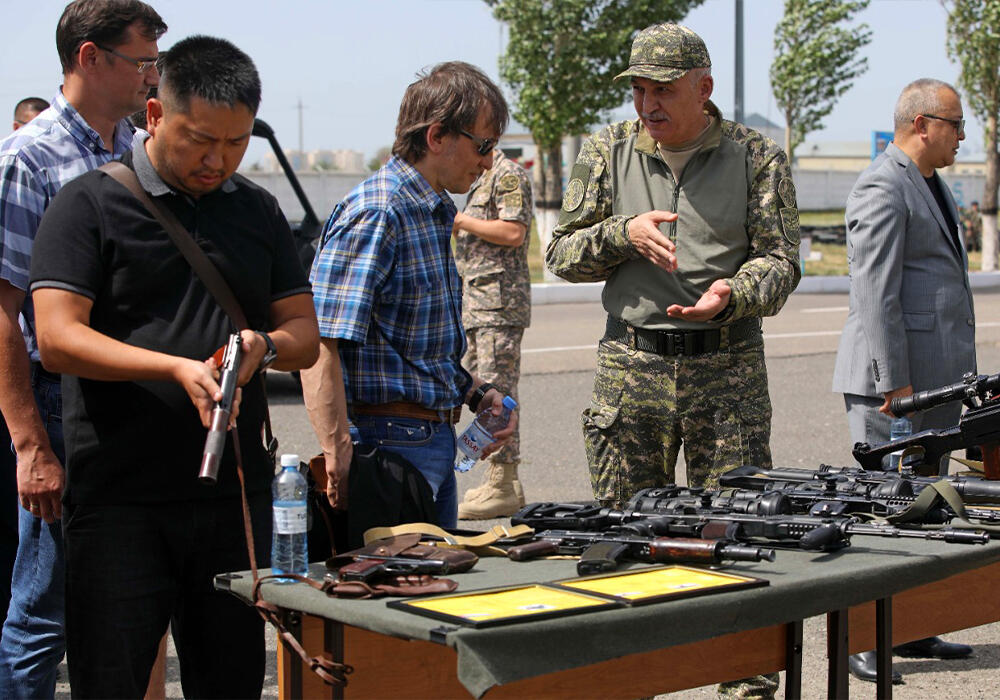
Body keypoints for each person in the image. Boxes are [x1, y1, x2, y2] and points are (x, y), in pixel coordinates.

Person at [29, 34, 319, 697]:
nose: (218, 159)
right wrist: (174, 368)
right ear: (154, 115)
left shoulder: (256, 210)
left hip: (230, 505)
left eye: (237, 142)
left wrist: (261, 349)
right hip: (119, 504)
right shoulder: (89, 205)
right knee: (115, 680)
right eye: (200, 139)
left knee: (232, 680)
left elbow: (304, 332)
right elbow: (58, 338)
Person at [545, 23, 800, 699]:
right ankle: (628, 683)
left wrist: (734, 293)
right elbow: (561, 254)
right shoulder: (608, 150)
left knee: (736, 539)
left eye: (663, 89)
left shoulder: (756, 156)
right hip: (631, 370)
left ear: (704, 89)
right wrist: (620, 235)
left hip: (729, 369)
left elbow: (782, 260)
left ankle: (744, 686)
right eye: (638, 89)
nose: (647, 103)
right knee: (623, 543)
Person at [0, 1, 165, 694]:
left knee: (125, 595)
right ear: (90, 57)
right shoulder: (29, 158)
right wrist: (30, 444)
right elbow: (5, 311)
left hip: (124, 401)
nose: (153, 79)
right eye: (142, 63)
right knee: (45, 609)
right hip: (55, 399)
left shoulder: (134, 150)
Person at [302, 61, 517, 529]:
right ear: (437, 136)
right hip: (388, 447)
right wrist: (338, 450)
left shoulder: (433, 210)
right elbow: (320, 343)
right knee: (398, 595)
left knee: (436, 592)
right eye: (483, 145)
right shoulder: (381, 211)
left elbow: (411, 346)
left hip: (429, 442)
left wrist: (477, 394)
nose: (488, 161)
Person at [832, 78, 975, 683]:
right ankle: (863, 639)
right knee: (885, 511)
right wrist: (895, 383)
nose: (963, 135)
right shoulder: (882, 185)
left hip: (931, 385)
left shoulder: (931, 185)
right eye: (956, 123)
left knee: (925, 508)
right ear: (922, 123)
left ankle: (911, 625)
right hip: (896, 388)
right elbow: (874, 293)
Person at [453, 149, 533, 519]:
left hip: (499, 304)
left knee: (499, 392)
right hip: (480, 304)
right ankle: (500, 481)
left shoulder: (507, 174)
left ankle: (502, 482)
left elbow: (513, 232)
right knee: (483, 390)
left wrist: (462, 220)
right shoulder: (483, 176)